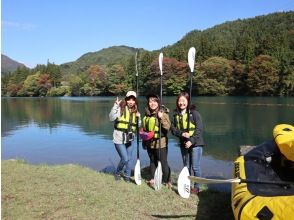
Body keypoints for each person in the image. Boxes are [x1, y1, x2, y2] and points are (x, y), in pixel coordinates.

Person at [171, 92, 205, 194]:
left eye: (183, 101)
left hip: (196, 144)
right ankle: (187, 185)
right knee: (186, 165)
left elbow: (199, 129)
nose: (181, 103)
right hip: (183, 144)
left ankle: (197, 187)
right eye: (179, 101)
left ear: (188, 101)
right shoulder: (176, 115)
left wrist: (191, 140)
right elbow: (173, 129)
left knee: (195, 167)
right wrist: (182, 134)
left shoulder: (194, 113)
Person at [140, 94, 172, 188]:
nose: (152, 103)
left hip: (161, 143)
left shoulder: (163, 113)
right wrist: (144, 141)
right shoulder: (147, 113)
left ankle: (167, 180)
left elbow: (168, 127)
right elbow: (146, 129)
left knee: (163, 162)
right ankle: (153, 178)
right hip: (150, 142)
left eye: (154, 101)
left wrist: (161, 117)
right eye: (150, 101)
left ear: (158, 103)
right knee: (152, 161)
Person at [109, 91, 141, 182]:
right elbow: (111, 118)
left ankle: (127, 176)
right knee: (125, 158)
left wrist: (139, 119)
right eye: (129, 99)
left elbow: (138, 126)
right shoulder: (120, 108)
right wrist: (115, 106)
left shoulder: (136, 111)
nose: (131, 102)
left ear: (135, 101)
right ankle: (118, 172)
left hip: (130, 138)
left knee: (130, 159)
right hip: (119, 138)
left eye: (133, 100)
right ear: (126, 100)